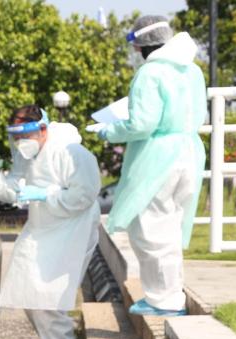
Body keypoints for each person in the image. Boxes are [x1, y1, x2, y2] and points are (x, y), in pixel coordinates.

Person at [0, 105, 101, 339]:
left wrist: (46, 194)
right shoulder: (26, 155)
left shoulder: (72, 152)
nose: (21, 142)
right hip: (43, 227)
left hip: (73, 227)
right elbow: (14, 191)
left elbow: (85, 195)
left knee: (49, 293)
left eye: (25, 136)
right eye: (16, 137)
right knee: (29, 289)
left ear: (43, 129)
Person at [93, 16, 207, 316]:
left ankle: (164, 301)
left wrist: (110, 131)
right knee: (170, 228)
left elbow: (142, 124)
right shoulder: (193, 70)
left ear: (141, 44)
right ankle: (169, 295)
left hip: (157, 158)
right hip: (189, 152)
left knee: (150, 229)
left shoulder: (150, 73)